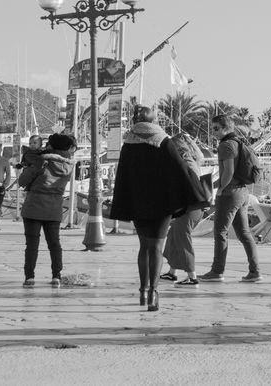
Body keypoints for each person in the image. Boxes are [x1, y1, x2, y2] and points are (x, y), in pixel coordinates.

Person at [110, 106, 208, 311]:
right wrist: (193, 195)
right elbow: (180, 169)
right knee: (156, 247)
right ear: (154, 121)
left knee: (143, 247)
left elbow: (123, 174)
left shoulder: (128, 142)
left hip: (137, 201)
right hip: (161, 202)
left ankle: (142, 290)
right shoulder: (163, 140)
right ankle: (153, 292)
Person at [198, 114, 261, 283]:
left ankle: (217, 271)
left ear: (226, 128)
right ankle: (255, 271)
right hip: (242, 192)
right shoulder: (238, 142)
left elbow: (229, 171)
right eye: (213, 129)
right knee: (244, 233)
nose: (214, 132)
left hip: (230, 194)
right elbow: (230, 173)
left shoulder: (226, 145)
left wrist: (220, 189)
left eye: (216, 128)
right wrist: (215, 183)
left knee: (220, 233)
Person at [17, 133, 76, 288]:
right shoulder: (69, 166)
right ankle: (56, 276)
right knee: (54, 243)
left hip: (33, 207)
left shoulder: (41, 162)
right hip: (54, 208)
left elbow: (22, 181)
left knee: (32, 244)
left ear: (51, 146)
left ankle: (29, 277)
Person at [159, 131, 211, 287]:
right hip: (194, 207)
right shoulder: (190, 161)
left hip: (190, 207)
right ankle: (172, 272)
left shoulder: (185, 164)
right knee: (174, 237)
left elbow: (187, 187)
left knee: (182, 240)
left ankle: (192, 276)